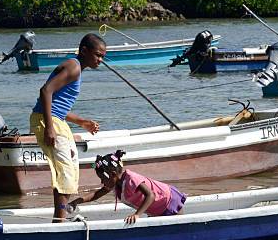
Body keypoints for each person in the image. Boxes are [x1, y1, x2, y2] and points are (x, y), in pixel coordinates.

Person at [30, 33, 107, 222]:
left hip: (56, 120)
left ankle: (62, 216)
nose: (100, 60)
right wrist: (49, 127)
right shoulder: (74, 66)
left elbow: (57, 104)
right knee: (65, 170)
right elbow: (45, 91)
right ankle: (60, 219)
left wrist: (81, 122)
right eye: (97, 55)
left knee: (70, 168)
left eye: (103, 57)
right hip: (48, 121)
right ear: (84, 51)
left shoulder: (77, 69)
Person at [68, 150, 187, 223]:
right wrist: (76, 201)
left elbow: (150, 195)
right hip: (156, 210)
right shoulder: (115, 183)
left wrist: (137, 215)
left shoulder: (131, 179)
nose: (102, 182)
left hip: (169, 202)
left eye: (103, 179)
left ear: (113, 175)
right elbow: (96, 194)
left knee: (179, 232)